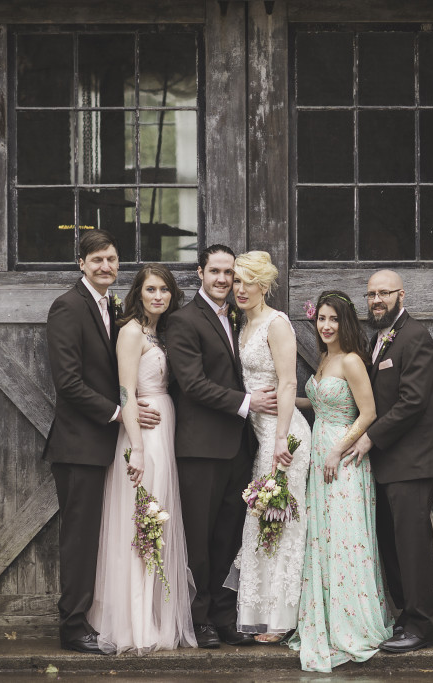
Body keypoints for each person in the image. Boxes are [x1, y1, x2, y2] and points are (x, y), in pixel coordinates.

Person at [42, 229, 161, 654]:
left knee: (96, 535)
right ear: (81, 264)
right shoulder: (68, 307)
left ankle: (90, 618)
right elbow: (68, 382)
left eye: (111, 259)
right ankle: (73, 627)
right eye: (97, 261)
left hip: (104, 444)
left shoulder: (109, 305)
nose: (106, 267)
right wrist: (119, 414)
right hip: (79, 445)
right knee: (79, 538)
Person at [164, 244, 277, 649]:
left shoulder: (235, 317)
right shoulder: (183, 321)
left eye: (229, 273)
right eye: (215, 271)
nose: (223, 279)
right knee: (200, 538)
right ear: (200, 272)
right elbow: (192, 384)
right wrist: (248, 404)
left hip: (238, 449)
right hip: (200, 448)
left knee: (229, 537)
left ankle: (224, 617)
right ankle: (198, 620)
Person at [87, 263, 196, 654]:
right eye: (151, 289)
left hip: (163, 431)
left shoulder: (158, 331)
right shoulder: (131, 331)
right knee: (141, 520)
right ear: (139, 291)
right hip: (143, 435)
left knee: (157, 519)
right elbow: (126, 393)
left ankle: (152, 611)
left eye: (165, 290)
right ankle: (134, 622)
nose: (159, 296)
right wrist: (135, 448)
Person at [288, 290, 391, 671]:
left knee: (345, 537)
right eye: (321, 319)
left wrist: (337, 450)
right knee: (323, 535)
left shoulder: (350, 361)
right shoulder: (323, 358)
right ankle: (326, 618)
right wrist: (288, 401)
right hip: (319, 453)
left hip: (344, 458)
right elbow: (321, 403)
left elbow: (368, 413)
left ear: (344, 322)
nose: (326, 326)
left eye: (333, 319)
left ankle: (351, 623)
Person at [345, 269, 433, 653]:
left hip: (413, 461)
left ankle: (425, 626)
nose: (376, 301)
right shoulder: (379, 338)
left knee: (412, 544)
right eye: (371, 295)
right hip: (388, 462)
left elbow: (412, 402)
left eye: (384, 293)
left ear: (402, 294)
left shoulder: (415, 336)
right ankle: (407, 615)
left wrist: (369, 437)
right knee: (392, 543)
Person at [225, 251, 312, 641]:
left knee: (281, 520)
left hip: (284, 436)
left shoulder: (276, 324)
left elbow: (289, 383)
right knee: (261, 517)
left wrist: (280, 441)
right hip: (259, 435)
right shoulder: (240, 323)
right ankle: (258, 612)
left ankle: (281, 619)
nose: (239, 289)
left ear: (264, 285)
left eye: (247, 282)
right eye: (236, 282)